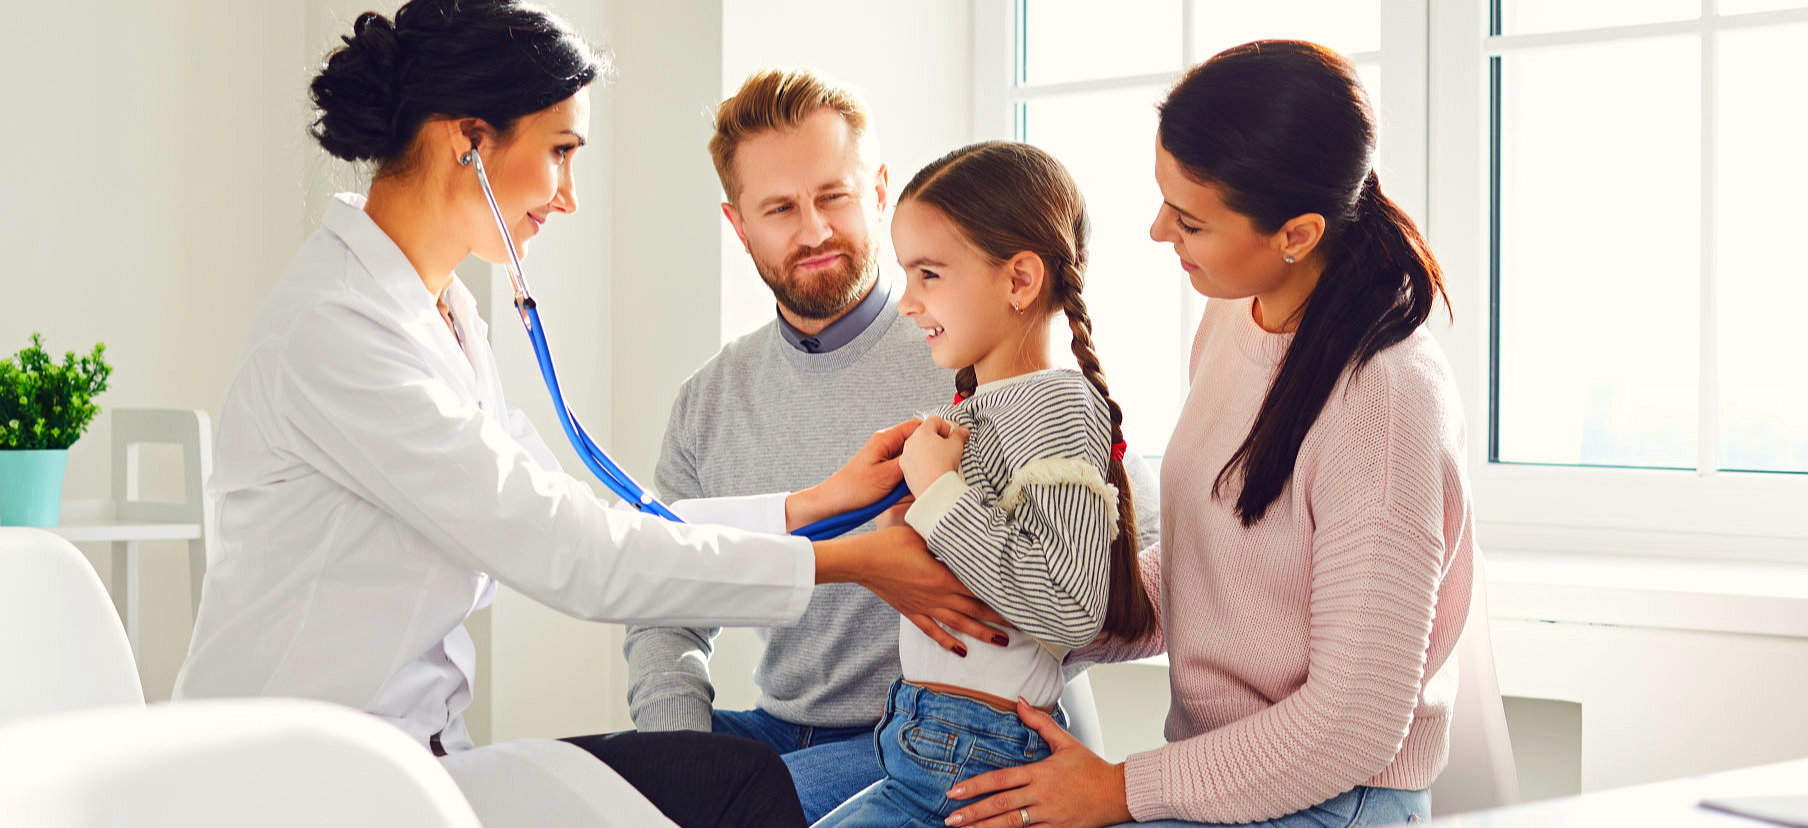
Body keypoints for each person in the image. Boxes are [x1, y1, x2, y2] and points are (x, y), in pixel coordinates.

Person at [173, 4, 989, 827]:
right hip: (295, 777)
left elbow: (590, 517)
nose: (567, 197)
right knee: (726, 785)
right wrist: (842, 560)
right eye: (560, 151)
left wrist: (807, 508)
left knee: (727, 784)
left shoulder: (439, 310)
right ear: (471, 141)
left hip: (409, 755)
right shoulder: (338, 331)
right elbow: (572, 550)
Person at [940, 41, 1475, 828]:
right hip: (1225, 782)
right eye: (1165, 199)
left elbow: (1354, 726)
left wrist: (1118, 790)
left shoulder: (1385, 401)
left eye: (1189, 219)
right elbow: (1209, 566)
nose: (1158, 231)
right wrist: (1044, 607)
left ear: (1296, 233)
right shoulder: (1235, 311)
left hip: (1335, 799)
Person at [622, 69, 1160, 822]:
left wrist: (1005, 623)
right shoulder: (709, 399)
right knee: (593, 790)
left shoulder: (976, 349)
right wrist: (681, 760)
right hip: (774, 727)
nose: (811, 230)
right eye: (779, 208)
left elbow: (1127, 561)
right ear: (737, 223)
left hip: (926, 734)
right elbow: (663, 601)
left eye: (833, 196)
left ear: (878, 190)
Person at [812, 140, 1157, 827]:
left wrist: (940, 495)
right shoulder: (977, 411)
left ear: (1020, 281)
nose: (907, 303)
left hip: (973, 757)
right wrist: (905, 516)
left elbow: (1069, 606)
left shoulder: (1056, 404)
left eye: (929, 274)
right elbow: (972, 570)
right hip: (924, 740)